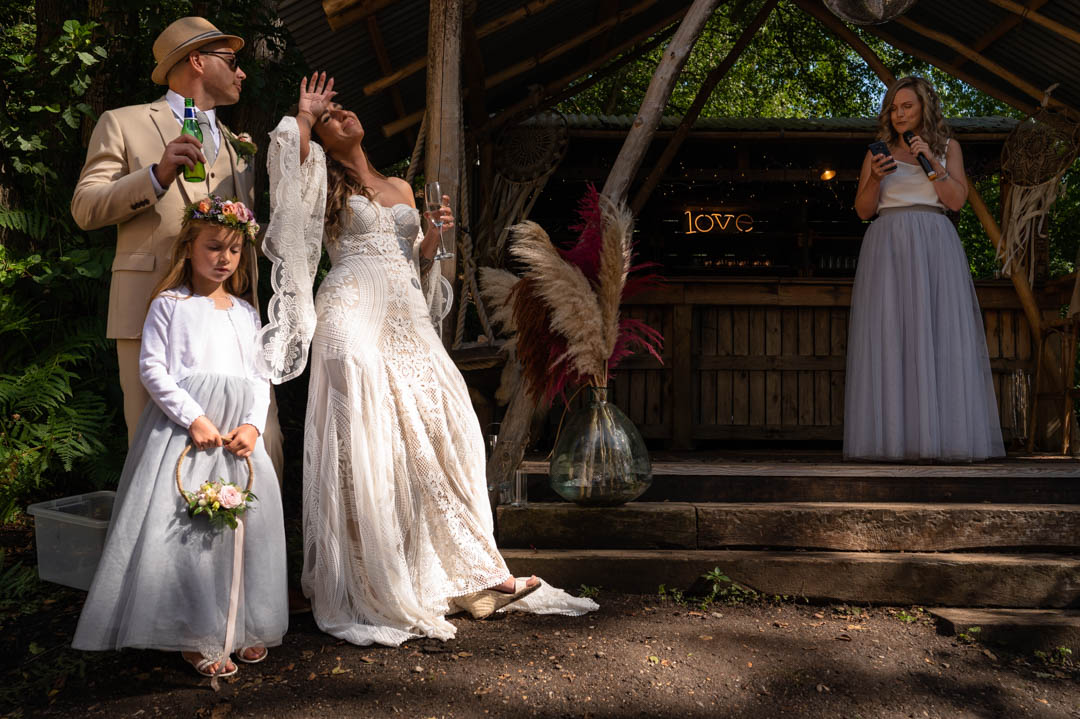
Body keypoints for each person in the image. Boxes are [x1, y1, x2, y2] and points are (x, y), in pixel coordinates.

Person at [256, 72, 597, 646]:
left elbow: (416, 267)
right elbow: (286, 184)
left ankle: (471, 574)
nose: (342, 117)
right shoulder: (322, 180)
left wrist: (433, 246)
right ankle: (370, 573)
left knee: (447, 419)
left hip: (406, 314)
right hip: (351, 305)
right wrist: (306, 117)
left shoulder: (400, 187)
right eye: (331, 116)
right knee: (367, 429)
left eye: (342, 111)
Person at [72, 196, 287, 678]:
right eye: (213, 247)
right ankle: (196, 632)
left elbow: (259, 376)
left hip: (237, 437)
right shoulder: (171, 305)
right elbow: (153, 368)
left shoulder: (246, 312)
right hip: (188, 434)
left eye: (234, 250)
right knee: (191, 528)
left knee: (243, 530)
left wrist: (253, 423)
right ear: (189, 248)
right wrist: (193, 417)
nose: (223, 259)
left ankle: (243, 624)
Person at [70, 16, 283, 479]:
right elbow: (85, 208)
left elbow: (243, 235)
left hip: (230, 315)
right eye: (232, 61)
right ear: (197, 61)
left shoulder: (236, 145)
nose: (241, 72)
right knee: (158, 452)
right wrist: (155, 176)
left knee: (250, 443)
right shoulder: (123, 123)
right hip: (149, 308)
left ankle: (241, 548)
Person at [845, 76, 1005, 461]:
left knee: (936, 335)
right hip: (888, 245)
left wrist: (932, 163)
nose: (899, 114)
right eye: (894, 108)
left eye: (907, 107)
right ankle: (894, 440)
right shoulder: (876, 154)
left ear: (924, 108)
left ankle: (941, 439)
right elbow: (863, 210)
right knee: (891, 336)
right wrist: (877, 179)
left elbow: (955, 202)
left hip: (934, 242)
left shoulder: (948, 148)